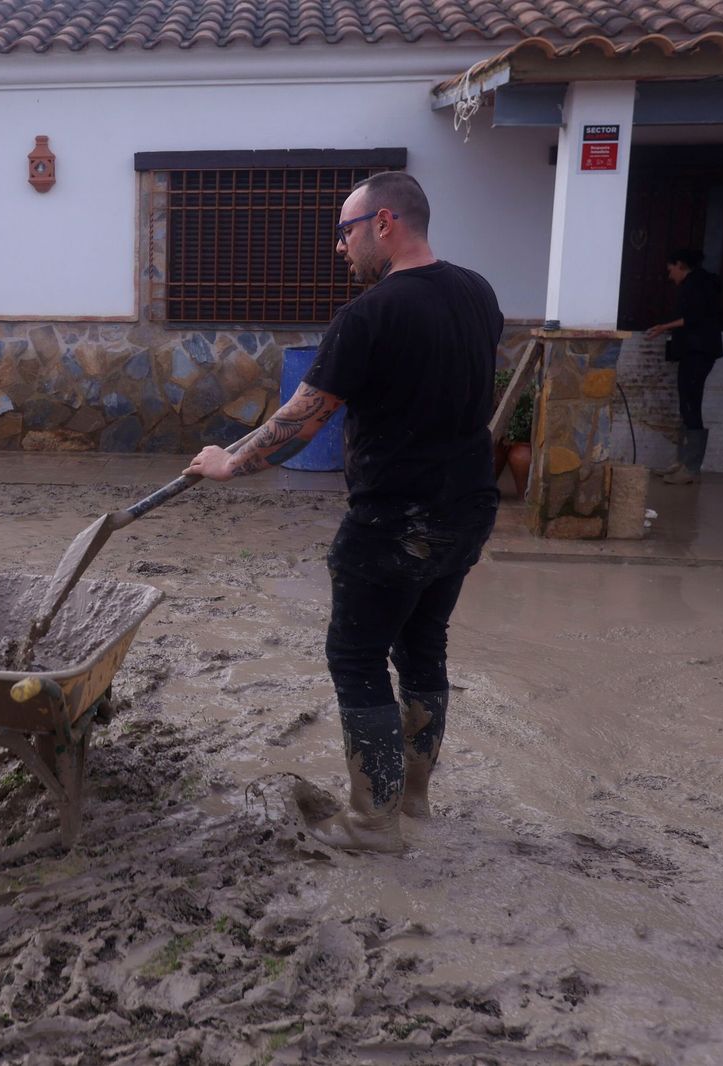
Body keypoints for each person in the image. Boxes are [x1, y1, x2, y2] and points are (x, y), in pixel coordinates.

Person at [185, 171, 501, 853]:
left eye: (344, 231)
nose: (340, 248)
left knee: (355, 658)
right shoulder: (477, 292)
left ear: (384, 223)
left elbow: (303, 419)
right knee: (424, 646)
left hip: (394, 518)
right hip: (467, 508)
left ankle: (370, 822)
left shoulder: (369, 315)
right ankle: (412, 799)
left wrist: (228, 463)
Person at [646, 248, 723, 485]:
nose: (670, 276)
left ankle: (691, 468)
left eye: (671, 270)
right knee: (686, 403)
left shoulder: (699, 284)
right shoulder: (696, 283)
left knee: (691, 403)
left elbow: (694, 317)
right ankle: (682, 462)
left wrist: (663, 327)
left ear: (680, 265)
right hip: (693, 351)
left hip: (698, 351)